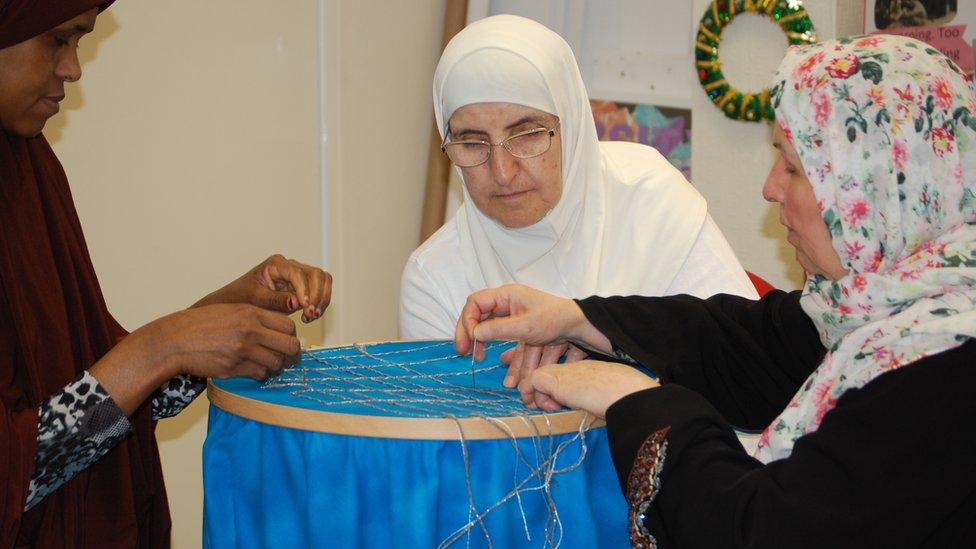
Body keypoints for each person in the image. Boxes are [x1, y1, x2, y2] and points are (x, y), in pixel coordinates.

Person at [455, 35, 976, 546]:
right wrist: (574, 317)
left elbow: (760, 531)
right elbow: (755, 344)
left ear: (876, 191)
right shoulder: (892, 302)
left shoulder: (943, 368)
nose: (770, 188)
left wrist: (635, 400)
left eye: (794, 169)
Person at [0, 2, 332, 546]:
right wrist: (161, 346)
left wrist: (226, 312)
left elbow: (102, 410)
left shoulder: (27, 167)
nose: (73, 69)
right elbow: (18, 472)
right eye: (57, 41)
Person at [399, 14, 757, 341]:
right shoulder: (434, 277)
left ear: (572, 125)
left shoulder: (651, 201)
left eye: (527, 135)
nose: (503, 173)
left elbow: (746, 359)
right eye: (473, 142)